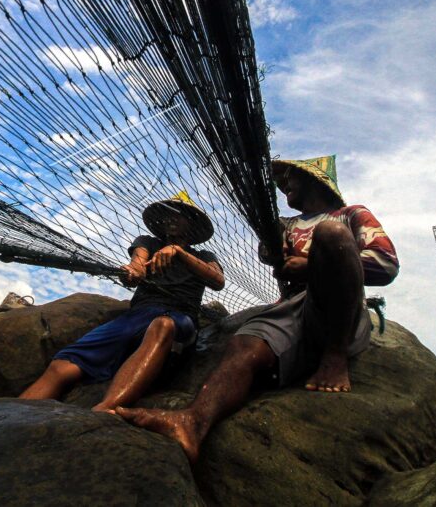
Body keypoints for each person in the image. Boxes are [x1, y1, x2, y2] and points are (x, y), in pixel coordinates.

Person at [117, 156, 399, 463]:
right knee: (243, 343)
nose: (284, 186)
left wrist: (311, 265)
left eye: (290, 179)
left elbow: (385, 264)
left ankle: (334, 355)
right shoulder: (288, 225)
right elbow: (268, 256)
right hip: (293, 309)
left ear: (314, 180)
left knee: (331, 234)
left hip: (337, 305)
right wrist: (271, 236)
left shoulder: (350, 214)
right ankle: (193, 422)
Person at [20, 194, 224, 414]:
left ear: (192, 223)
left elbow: (217, 280)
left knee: (163, 325)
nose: (171, 218)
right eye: (167, 214)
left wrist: (179, 253)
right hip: (136, 317)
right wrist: (133, 271)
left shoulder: (203, 255)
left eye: (179, 214)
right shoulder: (149, 243)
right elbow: (137, 262)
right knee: (62, 365)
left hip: (178, 320)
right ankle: (8, 417)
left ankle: (106, 408)